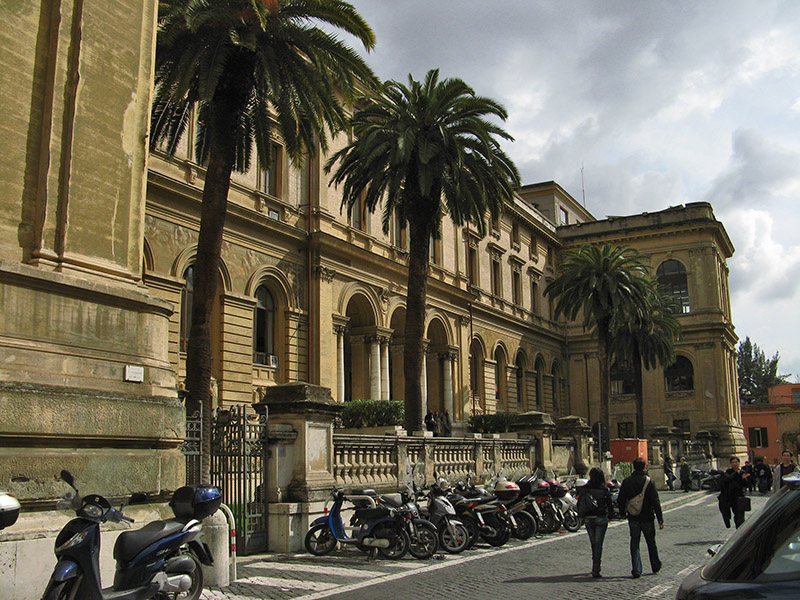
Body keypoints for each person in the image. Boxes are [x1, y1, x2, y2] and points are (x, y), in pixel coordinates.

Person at [618, 457, 664, 579]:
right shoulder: (649, 481)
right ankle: (655, 565)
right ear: (645, 467)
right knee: (651, 542)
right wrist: (660, 519)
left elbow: (621, 499)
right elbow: (655, 501)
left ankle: (637, 569)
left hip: (633, 517)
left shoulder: (627, 481)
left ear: (633, 467)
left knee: (634, 543)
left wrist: (623, 513)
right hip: (647, 516)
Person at [577, 467, 615, 578]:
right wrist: (610, 516)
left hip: (589, 518)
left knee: (593, 542)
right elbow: (609, 505)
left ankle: (595, 564)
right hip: (601, 517)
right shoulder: (604, 489)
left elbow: (580, 503)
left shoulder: (585, 488)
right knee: (598, 543)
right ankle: (596, 567)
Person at [718, 456, 749, 528]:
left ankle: (739, 530)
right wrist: (736, 474)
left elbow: (746, 485)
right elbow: (727, 479)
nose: (735, 464)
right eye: (733, 462)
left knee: (740, 516)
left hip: (739, 497)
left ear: (739, 463)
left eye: (736, 462)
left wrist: (744, 479)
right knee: (727, 514)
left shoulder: (743, 472)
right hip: (730, 498)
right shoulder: (728, 472)